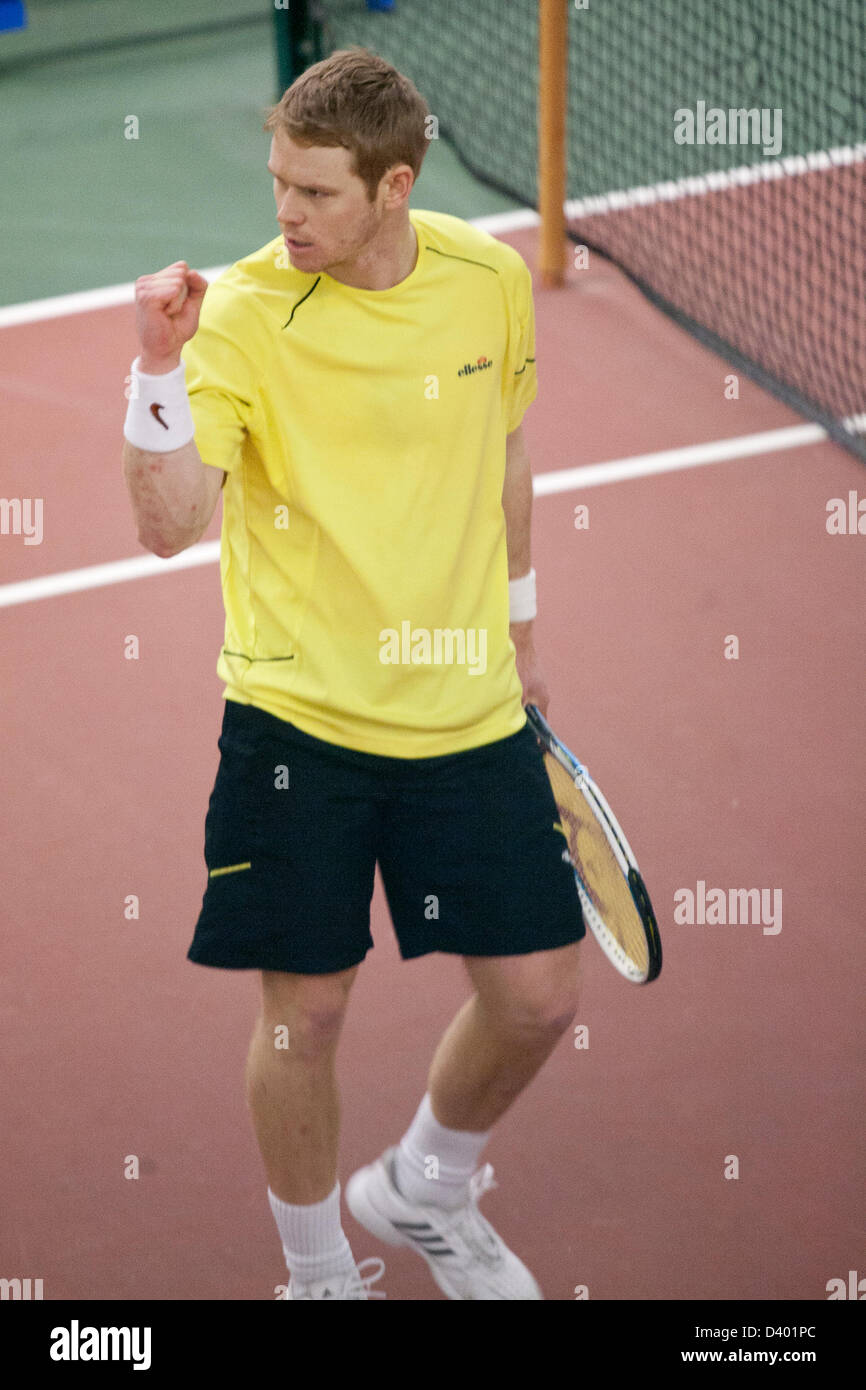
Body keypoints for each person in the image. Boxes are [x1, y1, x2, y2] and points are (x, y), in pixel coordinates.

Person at [122, 46, 584, 1301]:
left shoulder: (485, 279)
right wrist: (155, 373)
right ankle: (320, 1273)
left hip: (464, 708)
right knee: (302, 1016)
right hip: (299, 719)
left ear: (393, 187)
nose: (284, 213)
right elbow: (167, 528)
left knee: (539, 997)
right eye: (277, 181)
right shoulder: (243, 317)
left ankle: (425, 1185)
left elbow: (504, 454)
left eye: (315, 192)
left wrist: (524, 635)